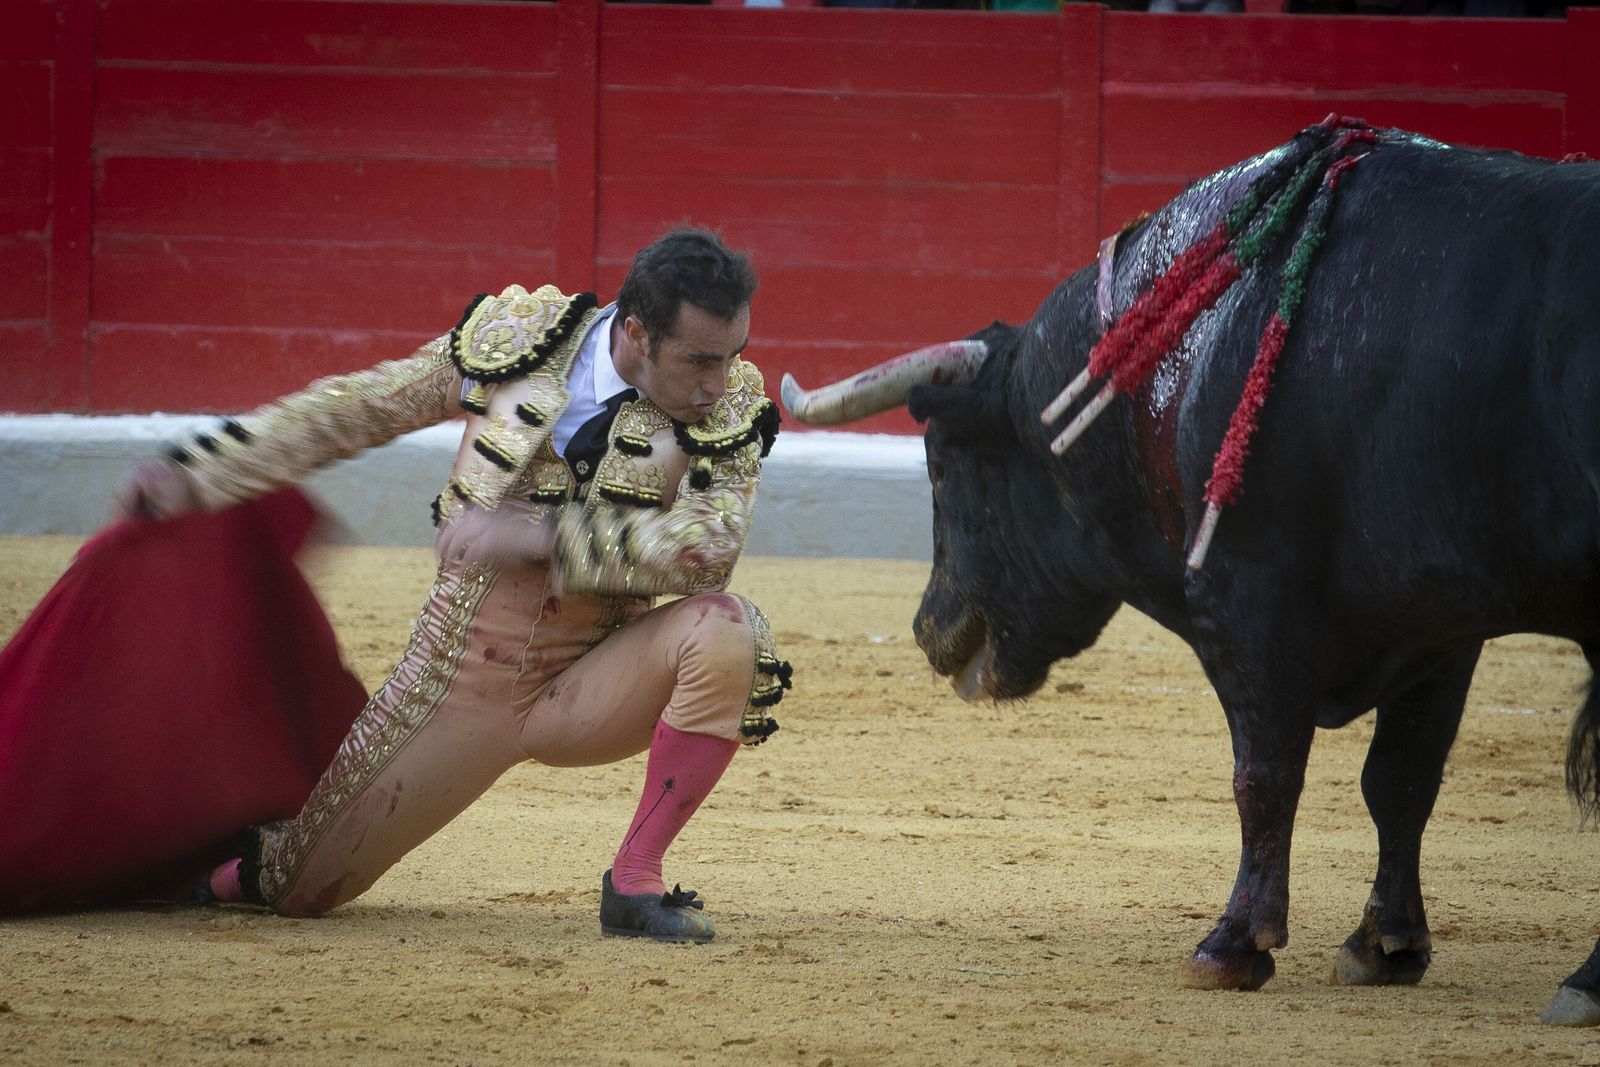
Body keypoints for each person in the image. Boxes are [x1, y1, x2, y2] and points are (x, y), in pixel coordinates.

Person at [116, 228, 791, 942]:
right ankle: (226, 869)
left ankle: (636, 880)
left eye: (733, 356)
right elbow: (364, 407)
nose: (720, 383)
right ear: (635, 332)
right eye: (700, 359)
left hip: (593, 677)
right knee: (298, 887)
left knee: (728, 629)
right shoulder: (517, 344)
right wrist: (204, 472)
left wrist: (536, 534)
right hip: (458, 674)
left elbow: (709, 550)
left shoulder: (729, 413)